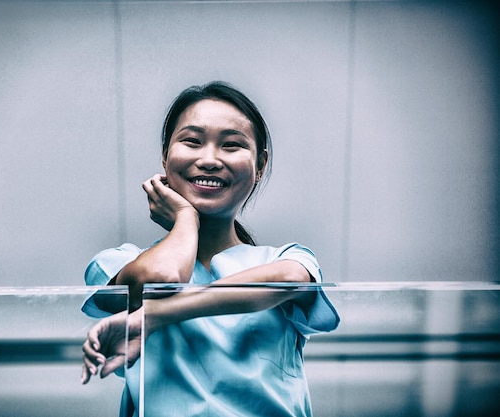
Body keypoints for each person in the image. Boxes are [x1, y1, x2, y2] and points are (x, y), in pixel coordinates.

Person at [80, 81, 339, 417]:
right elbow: (165, 276)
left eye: (231, 145)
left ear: (260, 165)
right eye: (192, 141)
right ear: (165, 156)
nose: (210, 159)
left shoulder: (286, 259)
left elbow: (291, 278)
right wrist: (186, 218)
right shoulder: (120, 261)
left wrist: (154, 316)